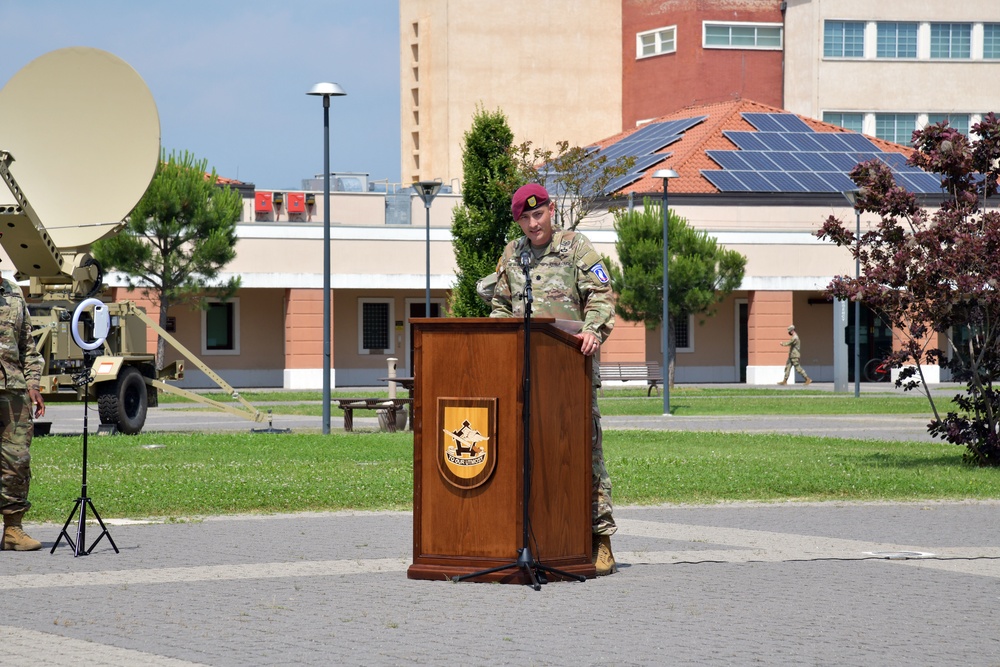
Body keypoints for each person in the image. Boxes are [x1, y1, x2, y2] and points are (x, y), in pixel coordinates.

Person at [490, 183, 618, 575]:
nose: (533, 223)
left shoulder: (576, 246)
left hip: (570, 370)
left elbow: (602, 294)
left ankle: (601, 539)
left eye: (538, 214)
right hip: (522, 372)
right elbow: (499, 304)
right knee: (525, 453)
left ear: (550, 211)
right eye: (525, 218)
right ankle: (536, 536)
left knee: (583, 450)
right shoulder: (512, 254)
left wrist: (593, 329)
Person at [0, 266, 45, 551]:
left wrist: (33, 386)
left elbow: (27, 345)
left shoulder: (13, 292)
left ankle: (13, 530)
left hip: (13, 391)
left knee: (16, 460)